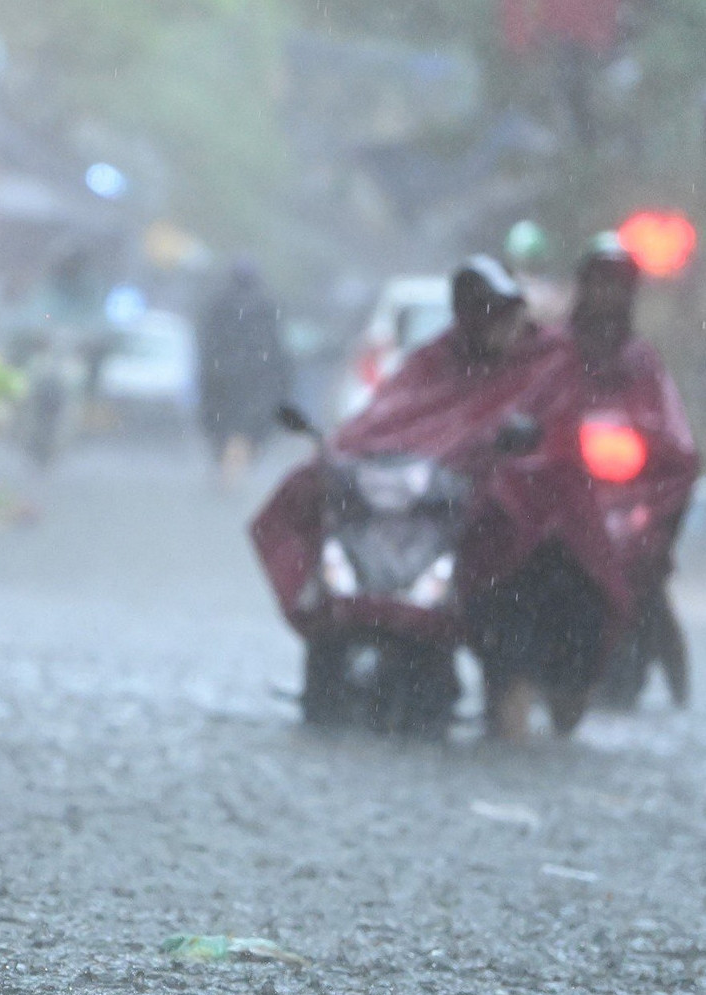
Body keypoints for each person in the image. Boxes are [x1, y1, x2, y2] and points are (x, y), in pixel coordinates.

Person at [253, 256, 600, 736]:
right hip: (425, 505)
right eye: (477, 309)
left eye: (496, 309)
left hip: (521, 530)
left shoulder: (548, 359)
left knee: (518, 601)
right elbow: (387, 416)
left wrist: (504, 469)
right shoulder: (437, 358)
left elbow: (551, 445)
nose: (489, 322)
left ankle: (513, 695)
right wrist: (338, 454)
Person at [558, 234, 698, 708]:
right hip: (562, 496)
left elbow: (672, 441)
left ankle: (676, 680)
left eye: (616, 285)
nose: (606, 295)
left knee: (647, 581)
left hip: (625, 498)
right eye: (599, 283)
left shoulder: (640, 359)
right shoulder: (556, 350)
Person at [197, 260, 290, 486]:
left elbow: (207, 342)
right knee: (245, 428)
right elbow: (276, 346)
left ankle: (228, 469)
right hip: (254, 380)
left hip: (223, 378)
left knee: (224, 427)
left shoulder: (219, 304)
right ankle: (232, 470)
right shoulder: (266, 306)